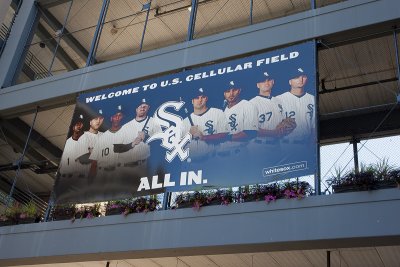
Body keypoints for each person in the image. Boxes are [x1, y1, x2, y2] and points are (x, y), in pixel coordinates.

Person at [182, 87, 228, 161]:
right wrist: (189, 135)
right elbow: (178, 146)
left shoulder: (217, 113)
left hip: (214, 159)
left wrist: (204, 137)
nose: (200, 100)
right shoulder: (184, 122)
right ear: (192, 101)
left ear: (206, 99)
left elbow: (225, 135)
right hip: (191, 163)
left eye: (202, 97)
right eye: (197, 98)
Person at [218, 80, 258, 157]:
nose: (231, 94)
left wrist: (225, 138)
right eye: (228, 91)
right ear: (224, 93)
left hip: (239, 153)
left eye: (234, 90)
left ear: (239, 90)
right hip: (222, 155)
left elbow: (250, 133)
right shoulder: (224, 109)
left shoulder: (247, 105)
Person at [276, 67, 315, 144]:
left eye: (303, 76)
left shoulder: (312, 99)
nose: (301, 80)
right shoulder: (278, 99)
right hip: (284, 143)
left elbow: (314, 127)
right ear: (290, 81)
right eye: (297, 77)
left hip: (306, 144)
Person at [89, 105, 125, 185]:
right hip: (101, 174)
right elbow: (94, 162)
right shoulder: (102, 137)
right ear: (111, 118)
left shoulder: (127, 135)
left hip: (118, 174)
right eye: (116, 115)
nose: (118, 118)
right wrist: (90, 182)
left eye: (120, 116)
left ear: (123, 119)